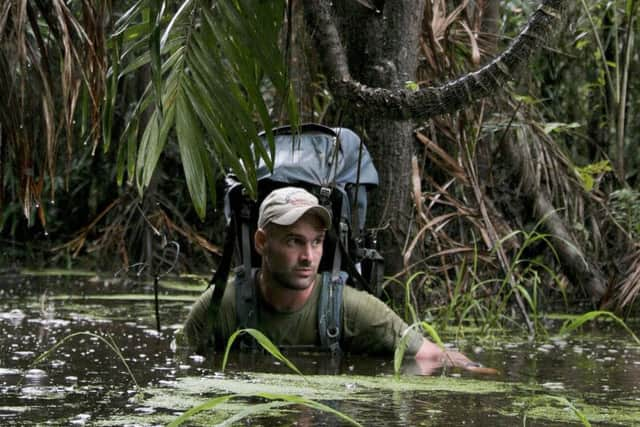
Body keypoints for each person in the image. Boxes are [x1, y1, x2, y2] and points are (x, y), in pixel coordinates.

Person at [181, 186, 489, 374]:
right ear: (262, 242)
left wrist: (487, 374)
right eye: (293, 242)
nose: (308, 256)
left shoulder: (349, 308)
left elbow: (432, 355)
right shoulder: (220, 307)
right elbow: (180, 364)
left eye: (316, 242)